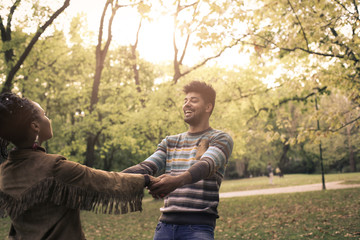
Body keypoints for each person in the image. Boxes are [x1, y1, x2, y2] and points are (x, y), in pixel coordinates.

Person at [0, 92, 155, 240]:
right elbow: (105, 181)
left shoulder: (4, 172)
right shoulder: (54, 167)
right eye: (44, 114)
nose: (49, 119)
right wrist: (146, 180)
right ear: (35, 126)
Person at [123, 81, 234, 240]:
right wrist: (110, 178)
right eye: (185, 100)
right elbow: (147, 166)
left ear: (208, 107)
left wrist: (176, 181)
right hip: (164, 228)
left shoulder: (220, 138)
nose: (186, 104)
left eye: (193, 100)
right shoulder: (170, 142)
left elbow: (207, 165)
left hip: (198, 228)